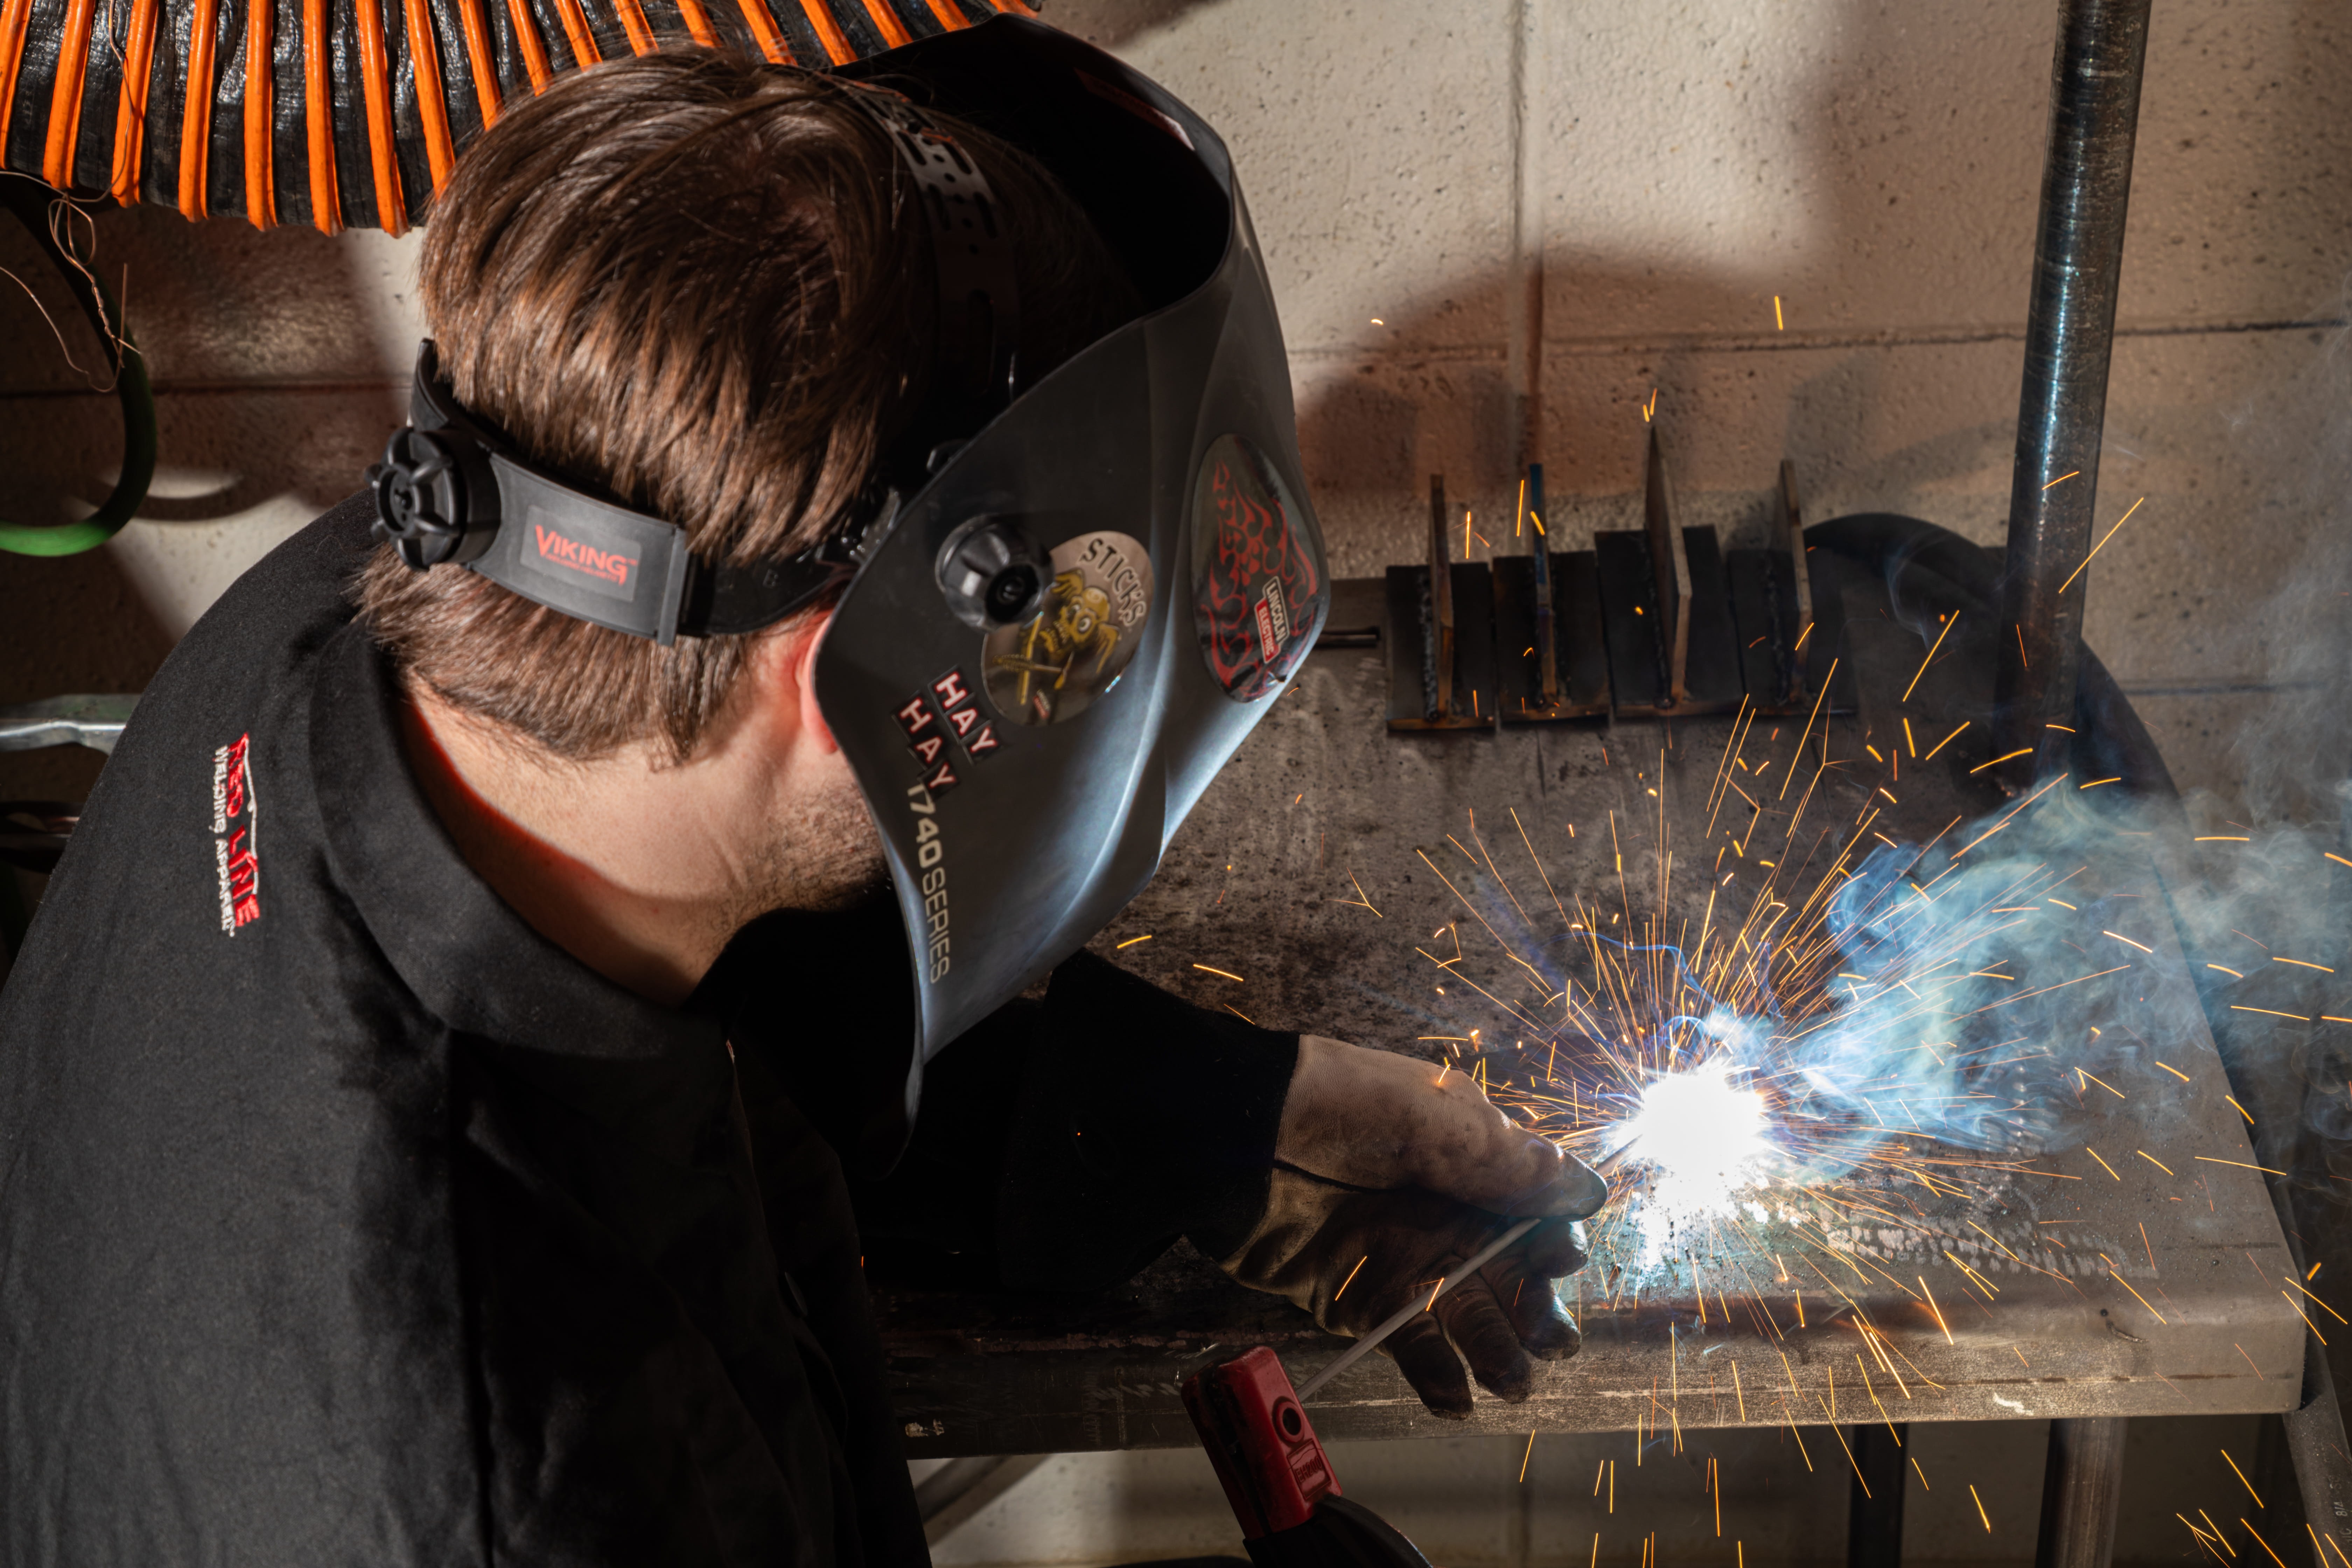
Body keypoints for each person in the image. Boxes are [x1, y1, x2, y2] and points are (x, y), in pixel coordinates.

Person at [0, 19, 1605, 1564]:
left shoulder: (392, 588)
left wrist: (1236, 1127)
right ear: (857, 671)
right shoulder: (525, 1484)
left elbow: (739, 1038)